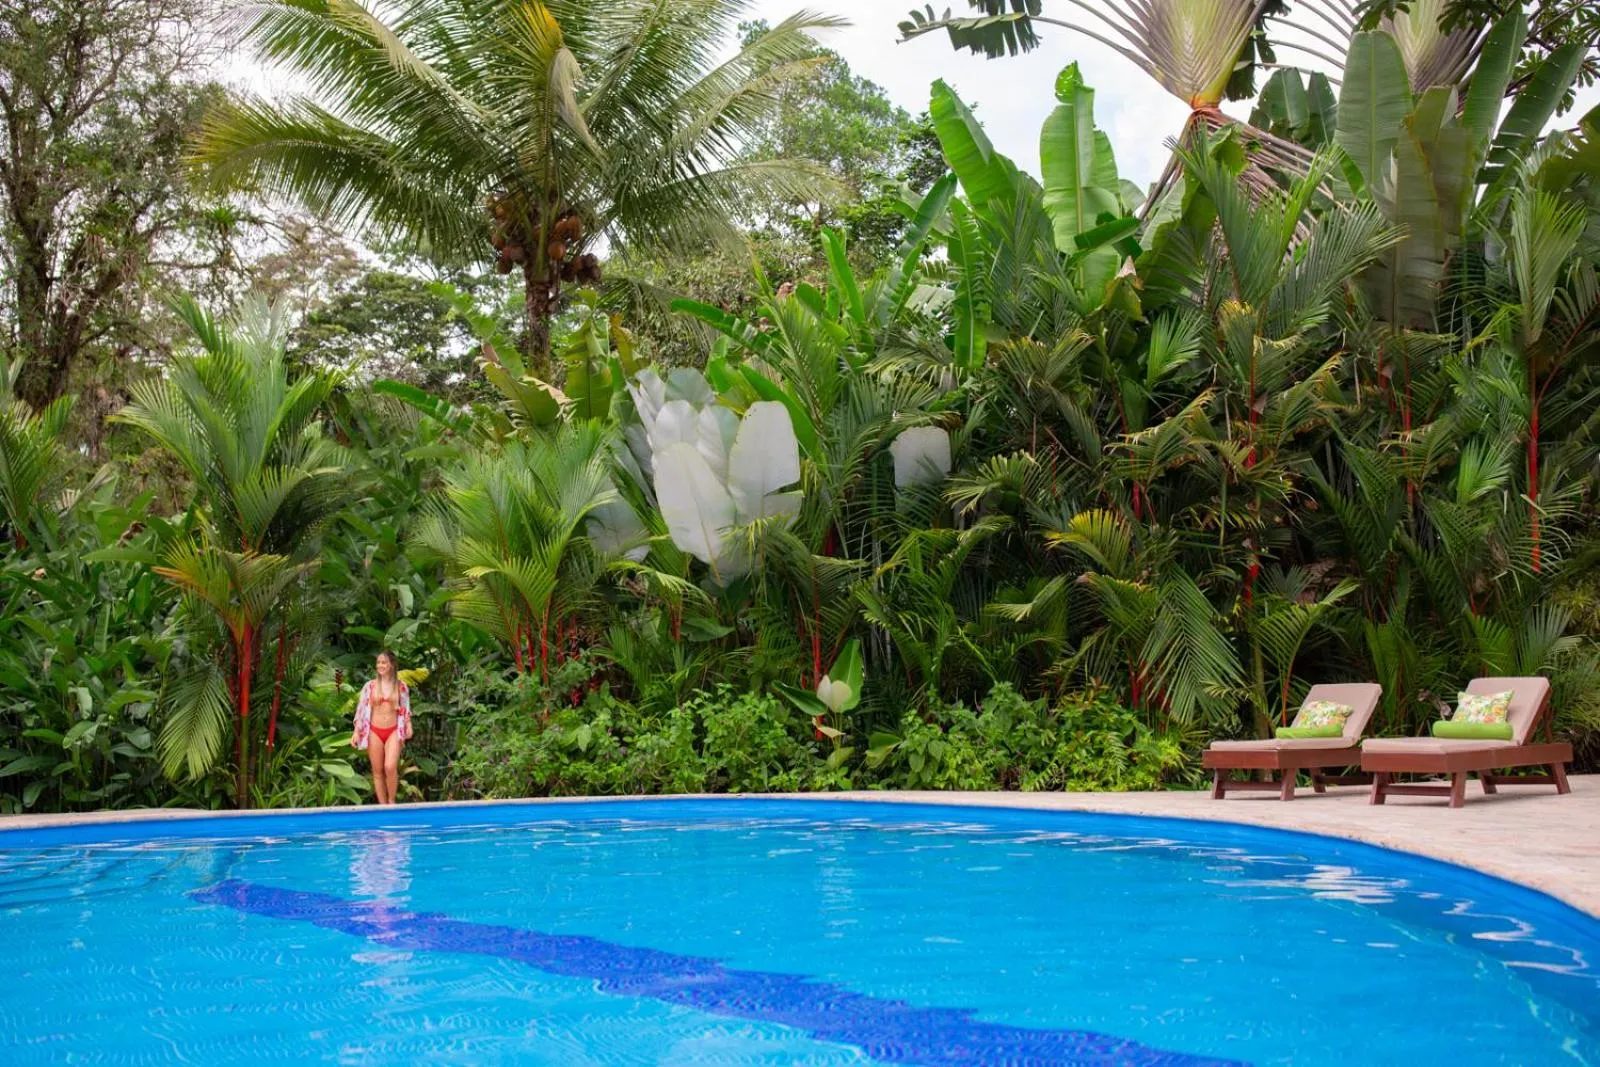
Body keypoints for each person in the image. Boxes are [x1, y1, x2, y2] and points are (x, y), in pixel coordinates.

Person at [350, 650, 412, 804]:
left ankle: (392, 802)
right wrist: (356, 732)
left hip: (392, 730)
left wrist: (409, 726)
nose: (380, 665)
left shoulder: (401, 686)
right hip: (373, 731)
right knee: (377, 771)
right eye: (378, 663)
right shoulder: (369, 686)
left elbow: (406, 709)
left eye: (384, 662)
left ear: (391, 665)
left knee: (390, 767)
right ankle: (382, 805)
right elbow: (361, 710)